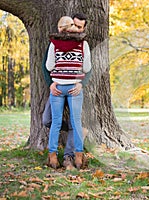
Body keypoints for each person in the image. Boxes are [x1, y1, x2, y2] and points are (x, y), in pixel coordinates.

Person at [42, 13, 90, 170]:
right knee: (76, 122)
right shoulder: (83, 44)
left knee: (55, 123)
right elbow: (87, 68)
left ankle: (53, 157)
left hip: (58, 87)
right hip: (74, 87)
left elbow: (49, 66)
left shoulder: (54, 44)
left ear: (60, 28)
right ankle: (78, 158)